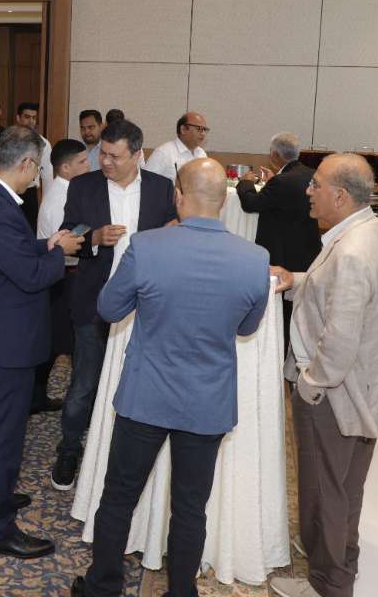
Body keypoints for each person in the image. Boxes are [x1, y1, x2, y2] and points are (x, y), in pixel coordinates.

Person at [72, 158, 269, 597]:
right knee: (190, 507)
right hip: (207, 402)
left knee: (119, 496)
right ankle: (182, 591)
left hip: (146, 395)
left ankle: (103, 587)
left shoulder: (146, 247)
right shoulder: (255, 259)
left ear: (179, 195)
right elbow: (246, 328)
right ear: (223, 202)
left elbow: (109, 309)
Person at [268, 154, 378, 597]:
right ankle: (343, 559)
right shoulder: (375, 231)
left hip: (334, 395)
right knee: (346, 486)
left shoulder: (350, 251)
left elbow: (340, 342)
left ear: (340, 196)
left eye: (317, 184)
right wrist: (298, 279)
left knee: (323, 492)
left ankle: (327, 584)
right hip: (367, 387)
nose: (309, 190)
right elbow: (344, 290)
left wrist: (310, 384)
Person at [0, 126, 82, 560]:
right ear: (27, 164)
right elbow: (30, 277)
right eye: (37, 169)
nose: (37, 177)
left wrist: (44, 243)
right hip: (7, 341)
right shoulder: (1, 209)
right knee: (3, 435)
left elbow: (7, 251)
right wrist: (59, 252)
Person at [51, 119, 178, 491]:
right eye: (102, 154)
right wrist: (93, 237)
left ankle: (126, 456)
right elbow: (69, 232)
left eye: (114, 156)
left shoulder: (161, 188)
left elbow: (174, 230)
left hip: (145, 306)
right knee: (84, 384)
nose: (105, 161)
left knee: (139, 384)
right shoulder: (83, 186)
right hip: (94, 300)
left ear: (137, 154)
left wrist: (171, 232)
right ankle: (69, 449)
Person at [236, 131, 321, 353]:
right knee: (300, 307)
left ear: (274, 155)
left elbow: (251, 203)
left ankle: (279, 350)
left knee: (283, 310)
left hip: (283, 251)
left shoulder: (282, 181)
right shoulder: (311, 174)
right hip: (308, 248)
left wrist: (245, 183)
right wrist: (273, 181)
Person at [33, 139, 90, 414]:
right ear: (65, 168)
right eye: (82, 162)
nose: (89, 165)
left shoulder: (69, 191)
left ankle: (38, 397)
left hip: (64, 275)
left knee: (58, 343)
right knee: (63, 343)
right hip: (62, 277)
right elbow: (64, 247)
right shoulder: (60, 200)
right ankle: (73, 405)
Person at [13, 102, 53, 228]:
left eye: (34, 118)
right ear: (18, 118)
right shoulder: (6, 140)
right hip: (9, 192)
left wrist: (47, 207)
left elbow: (47, 177)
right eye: (27, 117)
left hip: (29, 194)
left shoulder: (43, 144)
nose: (31, 121)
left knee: (29, 231)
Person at [144, 112, 209, 180]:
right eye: (199, 129)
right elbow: (146, 182)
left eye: (205, 129)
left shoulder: (201, 153)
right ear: (183, 129)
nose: (203, 133)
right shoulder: (163, 153)